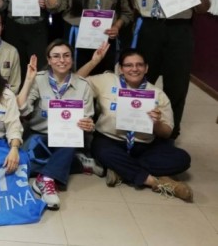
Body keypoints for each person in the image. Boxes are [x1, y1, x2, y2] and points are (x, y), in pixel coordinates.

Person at [124, 0, 211, 139]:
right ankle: (140, 129)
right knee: (142, 81)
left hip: (179, 31)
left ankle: (170, 132)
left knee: (177, 85)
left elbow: (203, 8)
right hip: (149, 30)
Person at [78, 46, 193, 202]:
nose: (134, 69)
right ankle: (156, 182)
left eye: (139, 65)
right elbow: (75, 82)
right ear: (120, 68)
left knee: (182, 159)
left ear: (146, 68)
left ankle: (119, 170)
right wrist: (94, 62)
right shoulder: (106, 81)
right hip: (110, 140)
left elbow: (166, 133)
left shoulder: (157, 94)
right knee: (102, 151)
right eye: (129, 65)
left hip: (143, 145)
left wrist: (156, 123)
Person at [16, 40, 96, 210]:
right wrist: (28, 80)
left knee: (69, 140)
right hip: (39, 136)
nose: (62, 60)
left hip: (67, 139)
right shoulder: (38, 79)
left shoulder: (83, 85)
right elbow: (21, 109)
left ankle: (45, 180)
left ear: (72, 59)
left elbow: (88, 120)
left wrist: (88, 124)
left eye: (66, 56)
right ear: (49, 60)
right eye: (56, 56)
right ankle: (77, 164)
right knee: (22, 167)